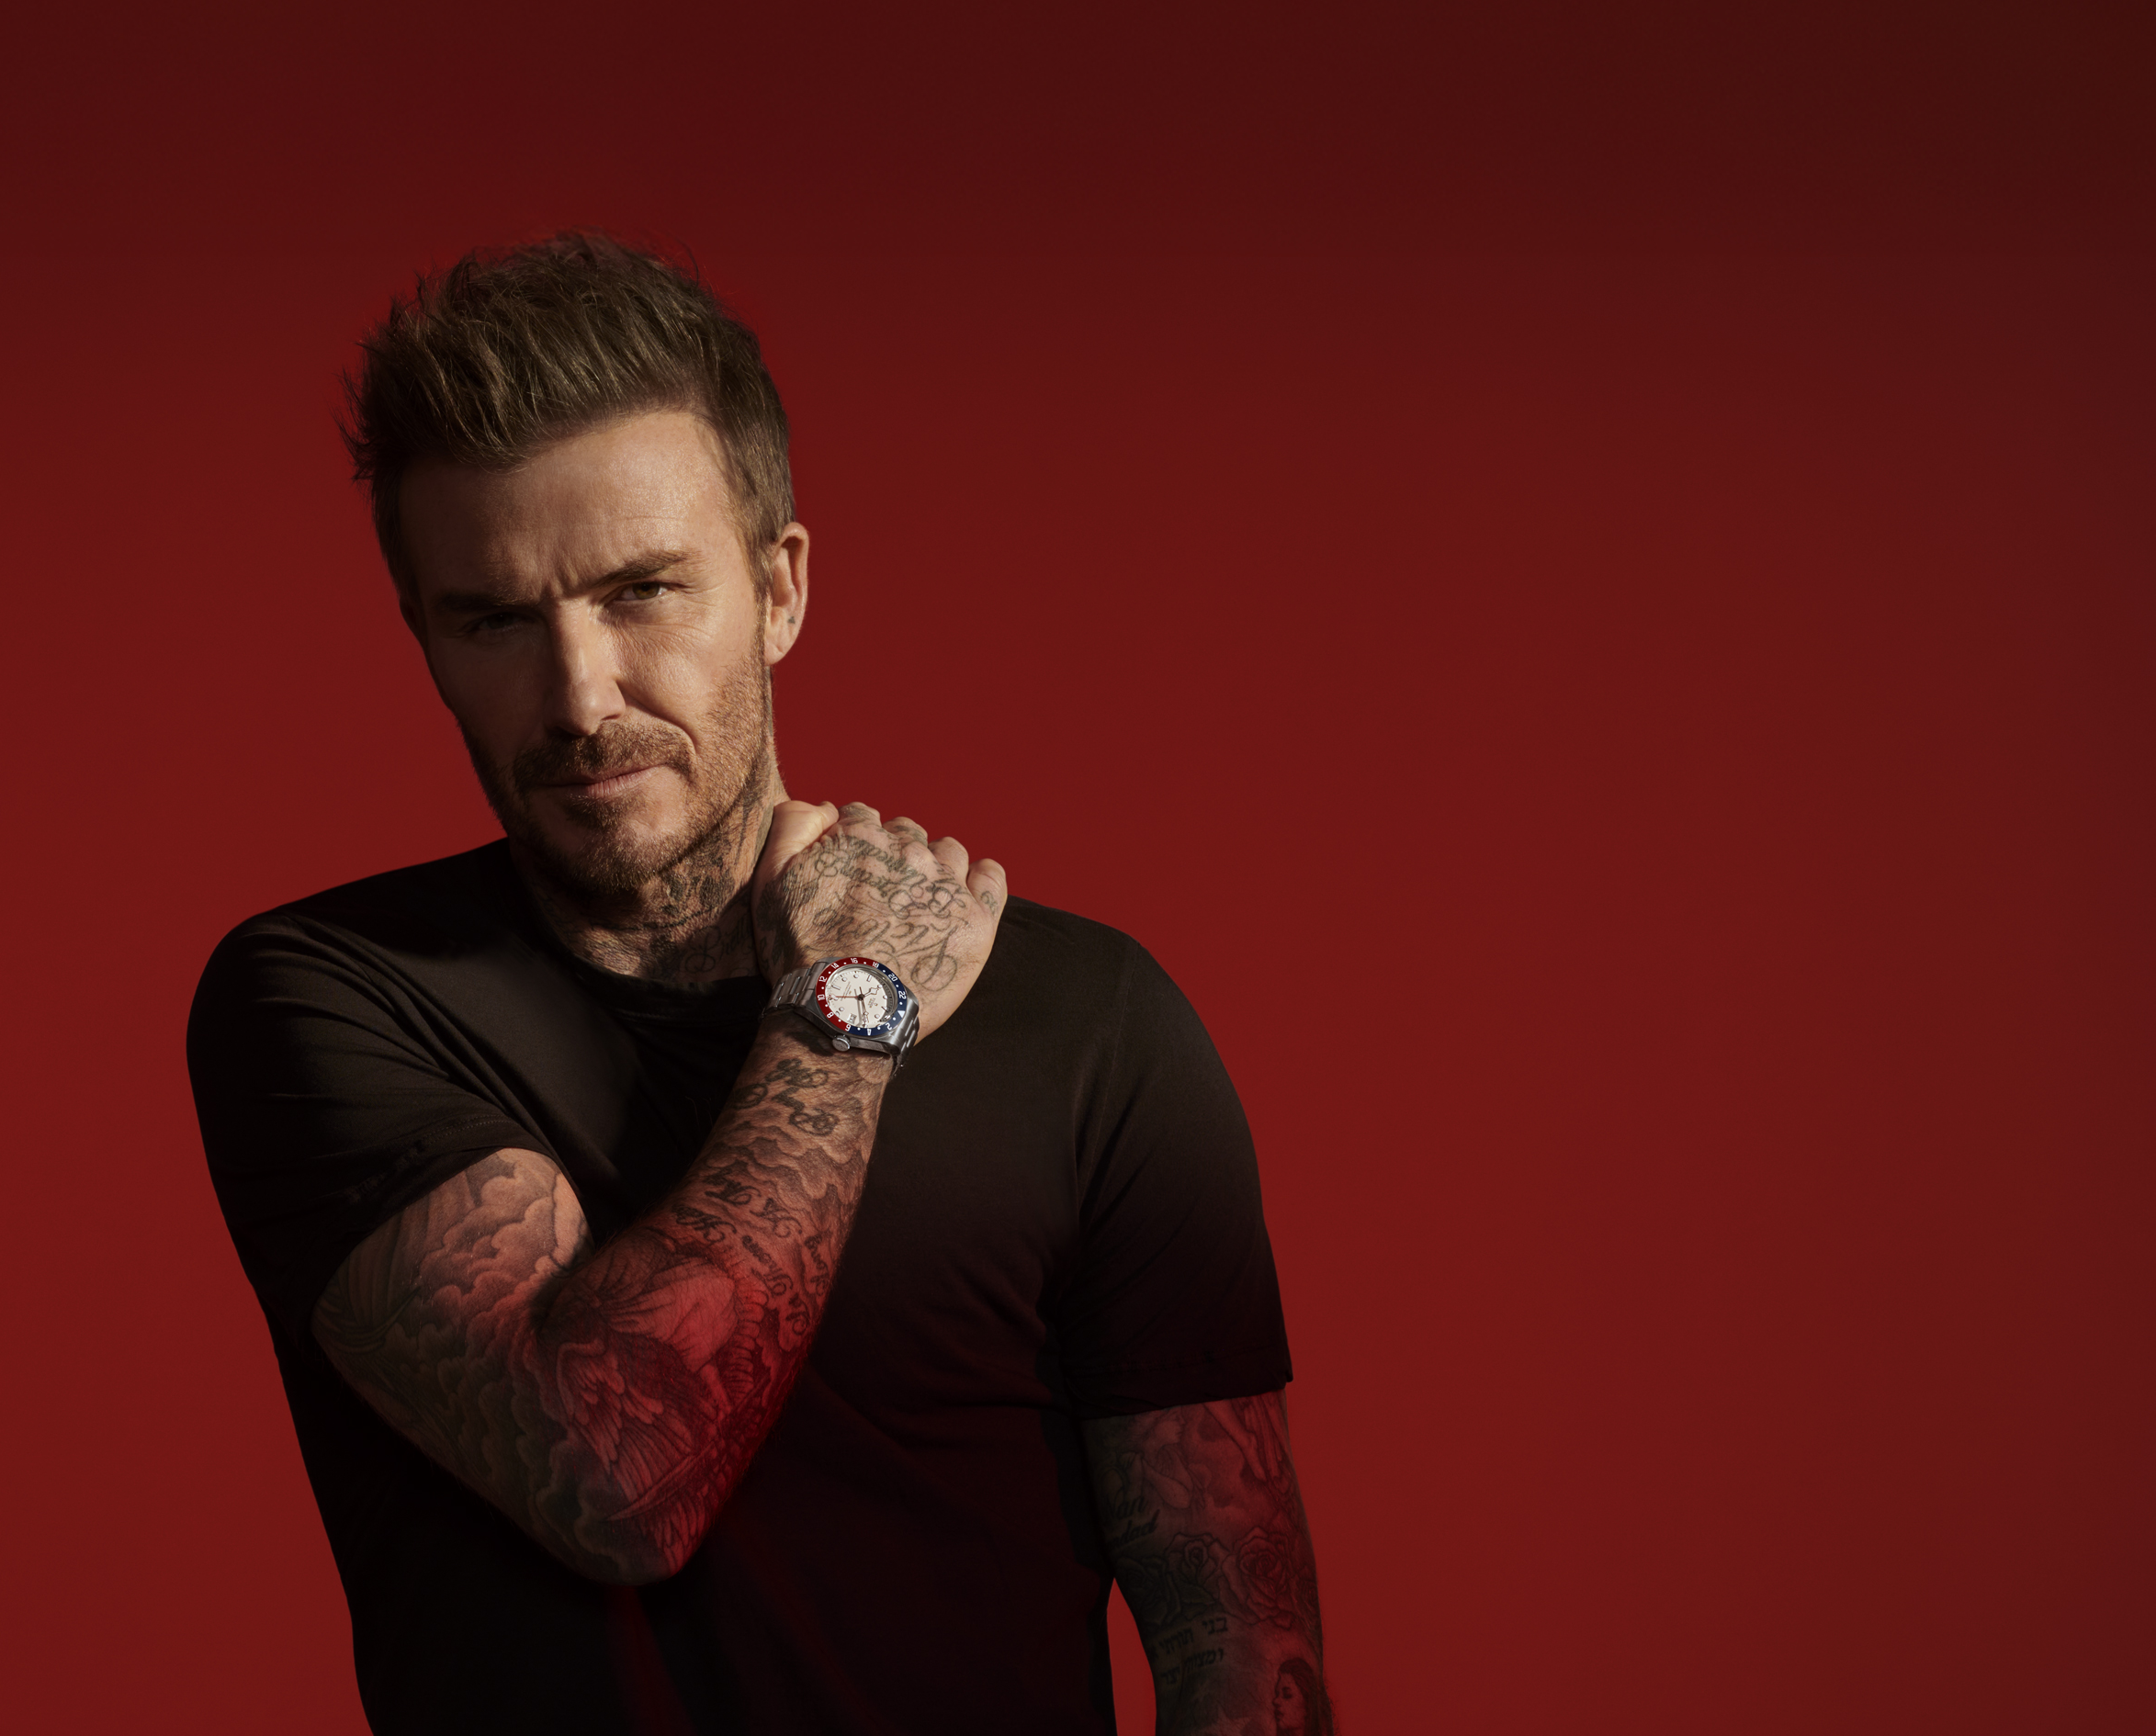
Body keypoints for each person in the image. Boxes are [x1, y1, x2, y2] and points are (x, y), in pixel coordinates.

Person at [187, 231, 1333, 1734]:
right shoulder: (330, 998)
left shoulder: (1088, 1027)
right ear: (423, 637)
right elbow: (615, 1474)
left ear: (780, 587)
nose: (580, 696)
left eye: (643, 591)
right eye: (496, 619)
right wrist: (851, 996)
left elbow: (1240, 1648)